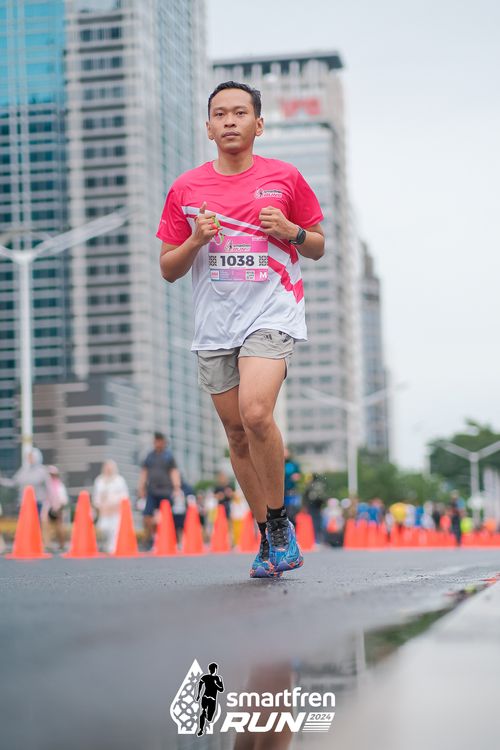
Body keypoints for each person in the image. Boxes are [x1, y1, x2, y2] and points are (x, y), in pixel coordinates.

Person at [157, 81, 325, 578]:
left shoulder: (285, 178)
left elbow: (317, 245)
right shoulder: (186, 188)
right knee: (235, 433)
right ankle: (266, 534)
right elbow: (168, 268)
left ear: (259, 124)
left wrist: (292, 232)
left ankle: (279, 523)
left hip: (272, 311)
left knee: (255, 413)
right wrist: (194, 240)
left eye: (239, 113)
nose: (229, 121)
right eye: (220, 114)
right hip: (215, 325)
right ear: (208, 127)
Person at [137, 433, 182, 548]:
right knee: (147, 516)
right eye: (156, 441)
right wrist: (141, 487)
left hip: (166, 492)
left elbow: (174, 472)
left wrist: (176, 487)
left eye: (160, 441)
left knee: (167, 517)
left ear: (164, 442)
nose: (158, 443)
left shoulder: (169, 456)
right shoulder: (149, 456)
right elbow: (144, 472)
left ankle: (171, 539)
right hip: (152, 491)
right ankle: (150, 539)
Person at [93, 460, 129, 554]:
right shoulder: (99, 480)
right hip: (104, 512)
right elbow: (96, 497)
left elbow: (124, 496)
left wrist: (116, 506)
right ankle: (104, 547)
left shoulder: (120, 480)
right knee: (103, 528)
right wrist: (100, 507)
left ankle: (113, 549)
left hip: (116, 511)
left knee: (115, 530)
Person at [12, 448, 50, 516]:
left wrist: (48, 504)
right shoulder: (23, 471)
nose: (29, 459)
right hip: (24, 503)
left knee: (36, 521)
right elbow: (14, 482)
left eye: (31, 456)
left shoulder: (43, 471)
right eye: (29, 457)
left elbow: (49, 488)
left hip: (38, 503)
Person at [41, 465, 68, 551]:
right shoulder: (45, 486)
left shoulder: (60, 486)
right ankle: (47, 544)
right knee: (45, 525)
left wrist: (58, 509)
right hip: (48, 508)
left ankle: (62, 544)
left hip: (57, 509)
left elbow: (63, 500)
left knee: (59, 527)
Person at [196, 662, 224, 737]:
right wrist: (198, 694)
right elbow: (200, 684)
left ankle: (205, 715)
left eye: (213, 669)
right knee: (203, 711)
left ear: (215, 669)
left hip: (212, 699)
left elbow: (221, 689)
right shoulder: (205, 677)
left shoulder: (218, 678)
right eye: (211, 669)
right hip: (206, 697)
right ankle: (201, 729)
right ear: (210, 669)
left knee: (209, 719)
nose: (213, 670)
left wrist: (216, 684)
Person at [284, 447, 302, 525]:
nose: (284, 454)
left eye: (286, 452)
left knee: (291, 513)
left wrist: (297, 477)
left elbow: (299, 475)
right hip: (280, 492)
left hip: (291, 491)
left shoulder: (293, 464)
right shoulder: (278, 464)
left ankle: (293, 527)